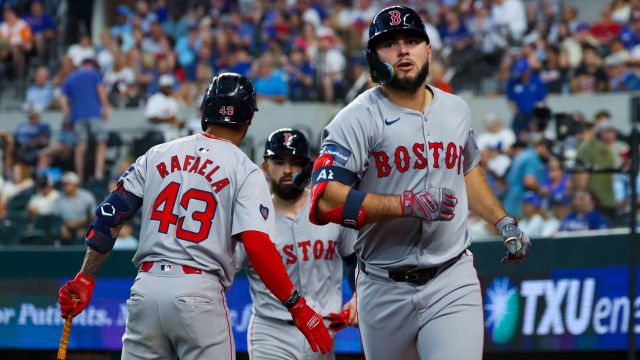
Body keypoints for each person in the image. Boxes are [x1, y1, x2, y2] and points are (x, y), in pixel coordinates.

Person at [307, 6, 531, 360]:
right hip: (383, 284)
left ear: (428, 49)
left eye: (412, 40)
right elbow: (325, 201)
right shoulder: (354, 119)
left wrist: (502, 220)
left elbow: (467, 169)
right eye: (389, 44)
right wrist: (404, 205)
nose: (403, 50)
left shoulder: (456, 109)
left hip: (451, 277)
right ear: (373, 56)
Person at [57, 73, 331, 359]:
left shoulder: (157, 154)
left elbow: (109, 216)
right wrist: (296, 304)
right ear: (248, 120)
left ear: (205, 111)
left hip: (146, 289)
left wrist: (86, 278)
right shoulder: (246, 170)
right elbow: (256, 244)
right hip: (198, 291)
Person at [236, 128, 358, 359]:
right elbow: (226, 271)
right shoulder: (252, 217)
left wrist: (357, 296)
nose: (288, 170)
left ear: (308, 167)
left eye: (296, 162)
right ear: (265, 167)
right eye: (279, 161)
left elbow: (353, 260)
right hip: (272, 331)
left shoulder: (328, 207)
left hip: (324, 328)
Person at [60, 57, 111, 182]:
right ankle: (98, 173)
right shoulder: (94, 73)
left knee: (81, 145)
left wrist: (68, 115)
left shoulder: (70, 77)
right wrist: (105, 107)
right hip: (94, 114)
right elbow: (101, 90)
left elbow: (63, 99)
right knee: (101, 142)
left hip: (77, 116)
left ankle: (79, 177)